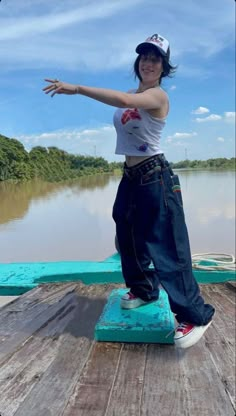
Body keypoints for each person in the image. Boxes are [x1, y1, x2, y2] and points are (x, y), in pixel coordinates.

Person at [43, 33, 215, 349]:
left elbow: (125, 103)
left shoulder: (158, 96)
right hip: (131, 175)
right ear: (138, 63)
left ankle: (195, 315)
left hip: (155, 175)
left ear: (164, 67)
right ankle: (144, 289)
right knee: (127, 234)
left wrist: (78, 88)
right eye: (144, 57)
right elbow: (124, 104)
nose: (148, 63)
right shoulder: (131, 91)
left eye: (155, 59)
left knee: (166, 246)